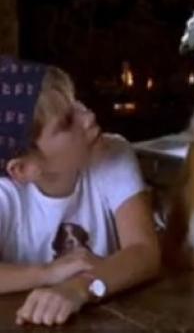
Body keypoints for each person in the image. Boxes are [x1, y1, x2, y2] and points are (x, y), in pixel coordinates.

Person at [0, 56, 160, 326]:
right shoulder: (6, 193)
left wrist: (80, 287)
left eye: (77, 103)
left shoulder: (113, 154)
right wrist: (46, 273)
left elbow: (144, 252)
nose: (88, 117)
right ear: (24, 169)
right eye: (66, 122)